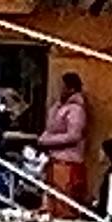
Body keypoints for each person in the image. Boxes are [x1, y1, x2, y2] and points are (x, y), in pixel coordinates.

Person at [36, 71, 91, 204]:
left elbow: (74, 136)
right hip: (56, 159)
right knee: (52, 196)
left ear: (71, 89)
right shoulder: (61, 106)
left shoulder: (76, 110)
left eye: (63, 87)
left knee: (63, 198)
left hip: (68, 161)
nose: (60, 90)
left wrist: (47, 141)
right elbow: (51, 127)